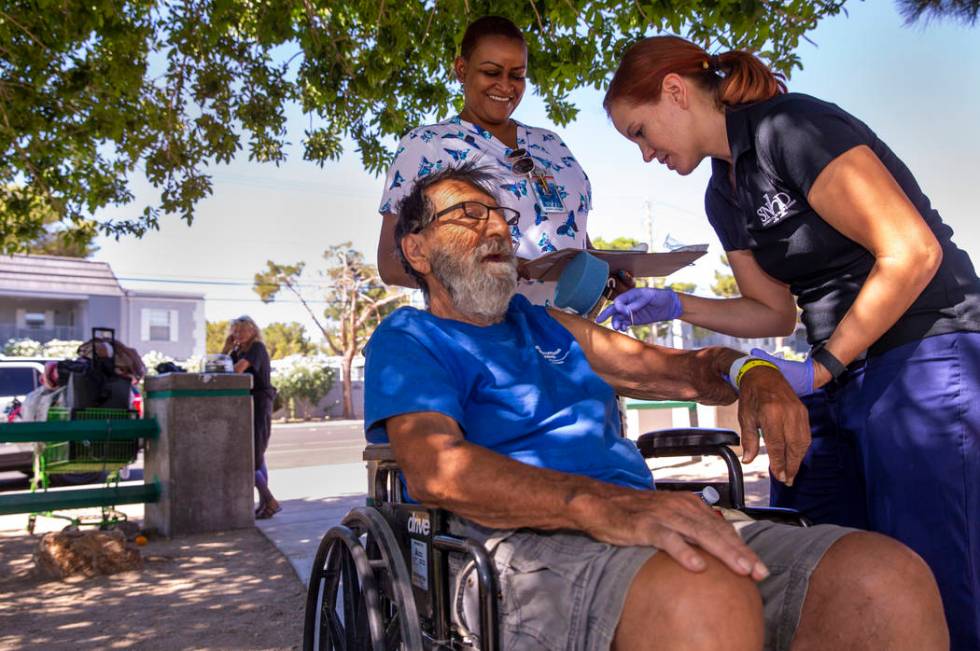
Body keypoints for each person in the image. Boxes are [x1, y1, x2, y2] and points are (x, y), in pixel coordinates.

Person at [363, 163, 948, 651]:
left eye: (501, 216)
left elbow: (685, 371)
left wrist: (754, 371)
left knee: (884, 578)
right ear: (415, 249)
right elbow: (435, 469)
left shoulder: (553, 326)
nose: (495, 228)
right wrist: (601, 505)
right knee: (707, 597)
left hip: (637, 521)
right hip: (511, 540)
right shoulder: (410, 338)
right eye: (469, 214)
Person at [599, 35, 980, 648]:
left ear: (674, 91)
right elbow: (771, 312)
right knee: (825, 556)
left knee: (935, 574)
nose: (645, 155)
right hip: (842, 370)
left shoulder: (789, 125)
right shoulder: (721, 190)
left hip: (924, 350)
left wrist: (823, 366)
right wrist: (672, 303)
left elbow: (911, 251)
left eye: (641, 132)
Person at [377, 15, 594, 305]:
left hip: (570, 335)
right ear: (461, 69)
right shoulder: (428, 146)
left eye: (517, 75)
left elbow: (569, 235)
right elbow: (392, 264)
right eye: (492, 72)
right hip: (488, 338)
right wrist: (493, 269)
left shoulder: (551, 144)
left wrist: (607, 272)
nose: (506, 86)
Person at [224, 316, 280, 519]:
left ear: (253, 331)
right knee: (256, 455)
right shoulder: (236, 352)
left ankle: (270, 500)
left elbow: (236, 370)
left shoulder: (257, 348)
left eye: (242, 330)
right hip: (244, 406)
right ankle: (267, 503)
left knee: (251, 456)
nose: (238, 334)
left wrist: (229, 360)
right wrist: (226, 347)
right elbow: (222, 367)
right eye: (235, 331)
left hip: (259, 404)